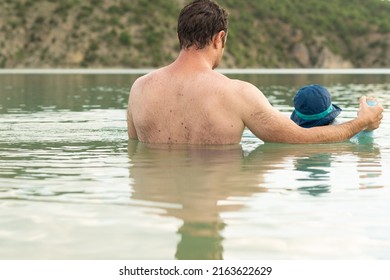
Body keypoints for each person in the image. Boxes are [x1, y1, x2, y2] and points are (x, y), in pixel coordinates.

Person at [127, 0, 383, 145]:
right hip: (219, 181)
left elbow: (133, 150)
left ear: (179, 36)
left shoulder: (139, 89)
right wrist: (362, 122)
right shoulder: (237, 94)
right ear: (220, 38)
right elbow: (300, 138)